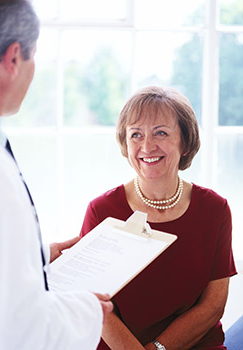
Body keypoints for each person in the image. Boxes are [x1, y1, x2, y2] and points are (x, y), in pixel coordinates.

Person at [0, 1, 113, 349]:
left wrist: (36, 253)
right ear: (13, 58)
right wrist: (87, 311)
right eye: (34, 56)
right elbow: (16, 335)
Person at [80, 86, 237, 350]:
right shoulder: (101, 211)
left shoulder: (215, 209)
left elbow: (213, 305)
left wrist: (157, 349)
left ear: (185, 142)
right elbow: (94, 304)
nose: (146, 146)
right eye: (136, 135)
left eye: (160, 133)